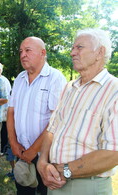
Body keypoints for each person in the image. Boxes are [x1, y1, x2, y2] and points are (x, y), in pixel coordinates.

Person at [37, 28, 118, 195]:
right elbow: (52, 129)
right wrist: (42, 163)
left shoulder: (114, 90)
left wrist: (65, 170)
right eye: (73, 48)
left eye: (79, 47)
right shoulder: (69, 87)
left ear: (99, 52)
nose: (72, 52)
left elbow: (113, 153)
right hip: (54, 180)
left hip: (86, 186)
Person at [7, 37, 66, 195]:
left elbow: (56, 121)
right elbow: (11, 112)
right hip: (21, 152)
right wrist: (13, 143)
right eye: (21, 51)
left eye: (28, 50)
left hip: (45, 156)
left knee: (44, 191)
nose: (23, 55)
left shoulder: (55, 78)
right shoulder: (19, 78)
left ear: (43, 53)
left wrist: (34, 150)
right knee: (23, 190)